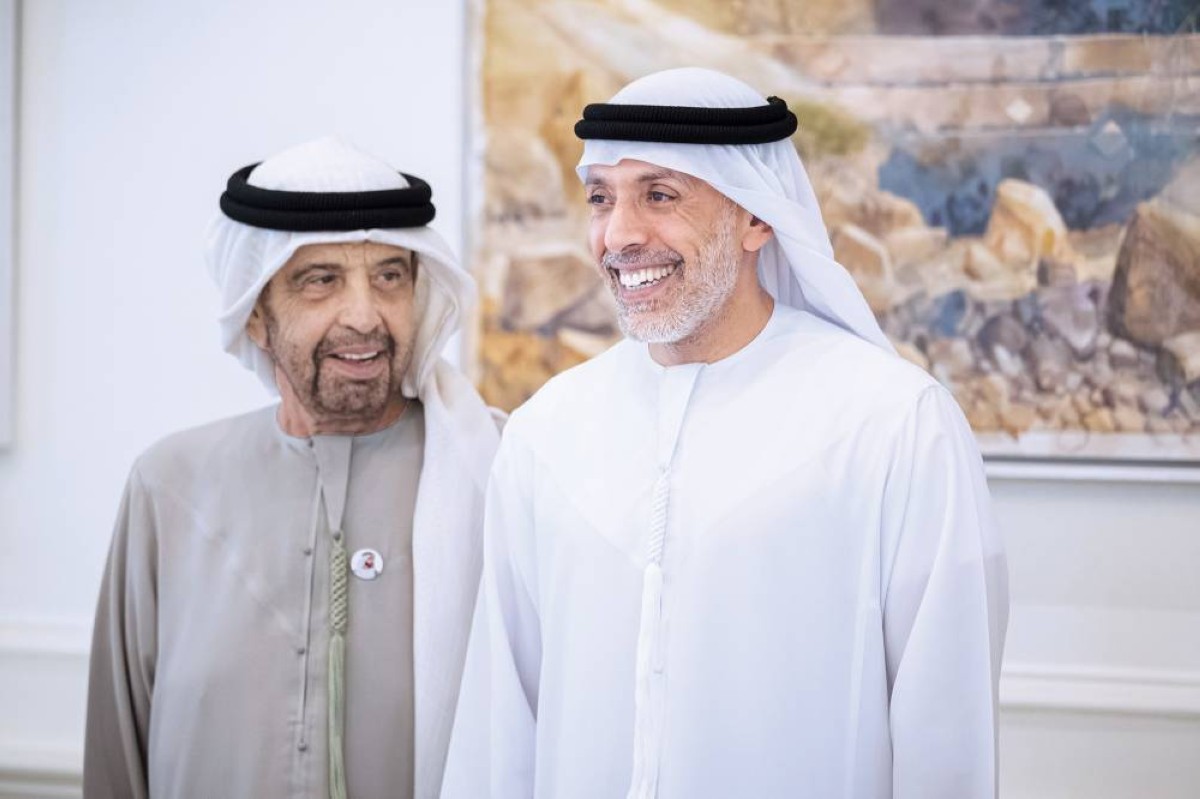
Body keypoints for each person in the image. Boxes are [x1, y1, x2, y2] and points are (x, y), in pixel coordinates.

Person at [443, 68, 1008, 798]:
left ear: (756, 218)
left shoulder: (894, 424)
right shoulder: (545, 432)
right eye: (601, 198)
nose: (619, 235)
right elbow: (500, 729)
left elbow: (945, 735)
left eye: (660, 195)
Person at [84, 138, 500, 799]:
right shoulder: (168, 487)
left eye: (389, 276)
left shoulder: (494, 471)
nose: (363, 316)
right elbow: (117, 759)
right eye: (320, 280)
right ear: (254, 312)